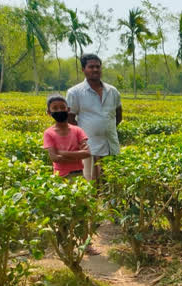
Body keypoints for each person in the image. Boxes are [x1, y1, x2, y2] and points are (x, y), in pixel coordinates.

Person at [66, 54, 121, 255]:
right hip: (90, 147)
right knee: (91, 185)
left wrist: (106, 130)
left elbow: (118, 115)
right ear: (83, 70)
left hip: (111, 145)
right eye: (91, 67)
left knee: (111, 182)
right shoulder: (75, 92)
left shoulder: (112, 91)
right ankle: (90, 222)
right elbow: (71, 119)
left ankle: (114, 217)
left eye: (98, 66)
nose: (95, 70)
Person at [43, 95, 90, 178]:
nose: (59, 110)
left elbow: (87, 153)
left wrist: (62, 153)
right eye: (55, 108)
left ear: (68, 110)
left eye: (62, 107)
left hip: (79, 174)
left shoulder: (77, 130)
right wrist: (78, 155)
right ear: (49, 112)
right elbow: (55, 158)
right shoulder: (48, 133)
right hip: (60, 176)